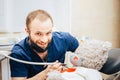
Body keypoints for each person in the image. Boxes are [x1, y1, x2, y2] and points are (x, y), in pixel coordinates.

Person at [9, 9, 79, 80]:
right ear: (27, 31)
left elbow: (83, 51)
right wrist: (45, 74)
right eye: (38, 34)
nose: (44, 40)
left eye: (48, 33)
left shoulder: (64, 39)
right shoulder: (18, 53)